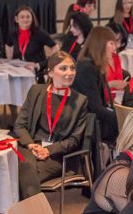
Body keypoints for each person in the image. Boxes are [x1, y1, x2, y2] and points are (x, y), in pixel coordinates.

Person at [14, 52, 88, 199]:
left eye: (72, 68)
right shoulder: (36, 91)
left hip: (56, 156)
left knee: (17, 177)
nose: (70, 73)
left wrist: (48, 151)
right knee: (23, 169)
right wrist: (30, 145)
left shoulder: (80, 100)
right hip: (30, 149)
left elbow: (74, 140)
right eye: (64, 68)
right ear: (51, 72)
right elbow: (20, 125)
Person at [74, 26, 120, 144]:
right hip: (87, 126)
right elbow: (95, 108)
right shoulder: (86, 68)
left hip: (94, 121)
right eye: (111, 43)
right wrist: (120, 118)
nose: (115, 48)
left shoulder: (93, 65)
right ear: (101, 44)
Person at [5, 6, 56, 73]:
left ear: (32, 19)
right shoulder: (13, 33)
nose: (25, 19)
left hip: (36, 71)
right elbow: (8, 45)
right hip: (18, 70)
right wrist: (10, 60)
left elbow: (55, 46)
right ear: (16, 19)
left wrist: (41, 64)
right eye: (22, 17)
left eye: (28, 17)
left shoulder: (39, 33)